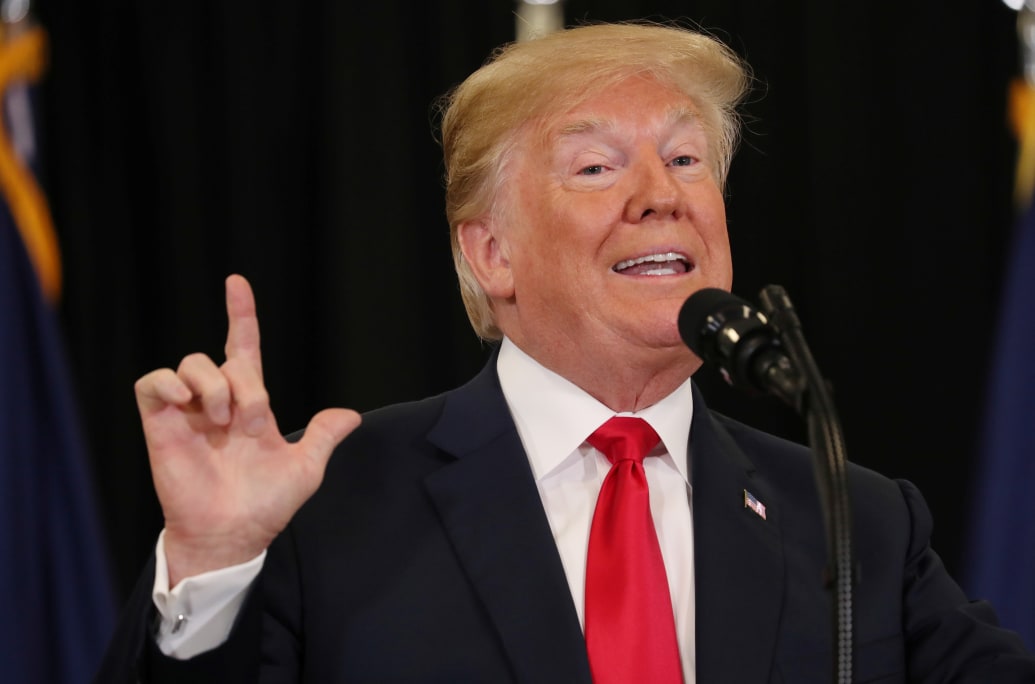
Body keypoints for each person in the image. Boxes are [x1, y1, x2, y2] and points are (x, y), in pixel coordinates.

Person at [95, 22, 1034, 683]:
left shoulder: (854, 520)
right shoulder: (330, 506)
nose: (659, 194)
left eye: (685, 159)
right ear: (491, 253)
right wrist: (215, 561)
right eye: (594, 167)